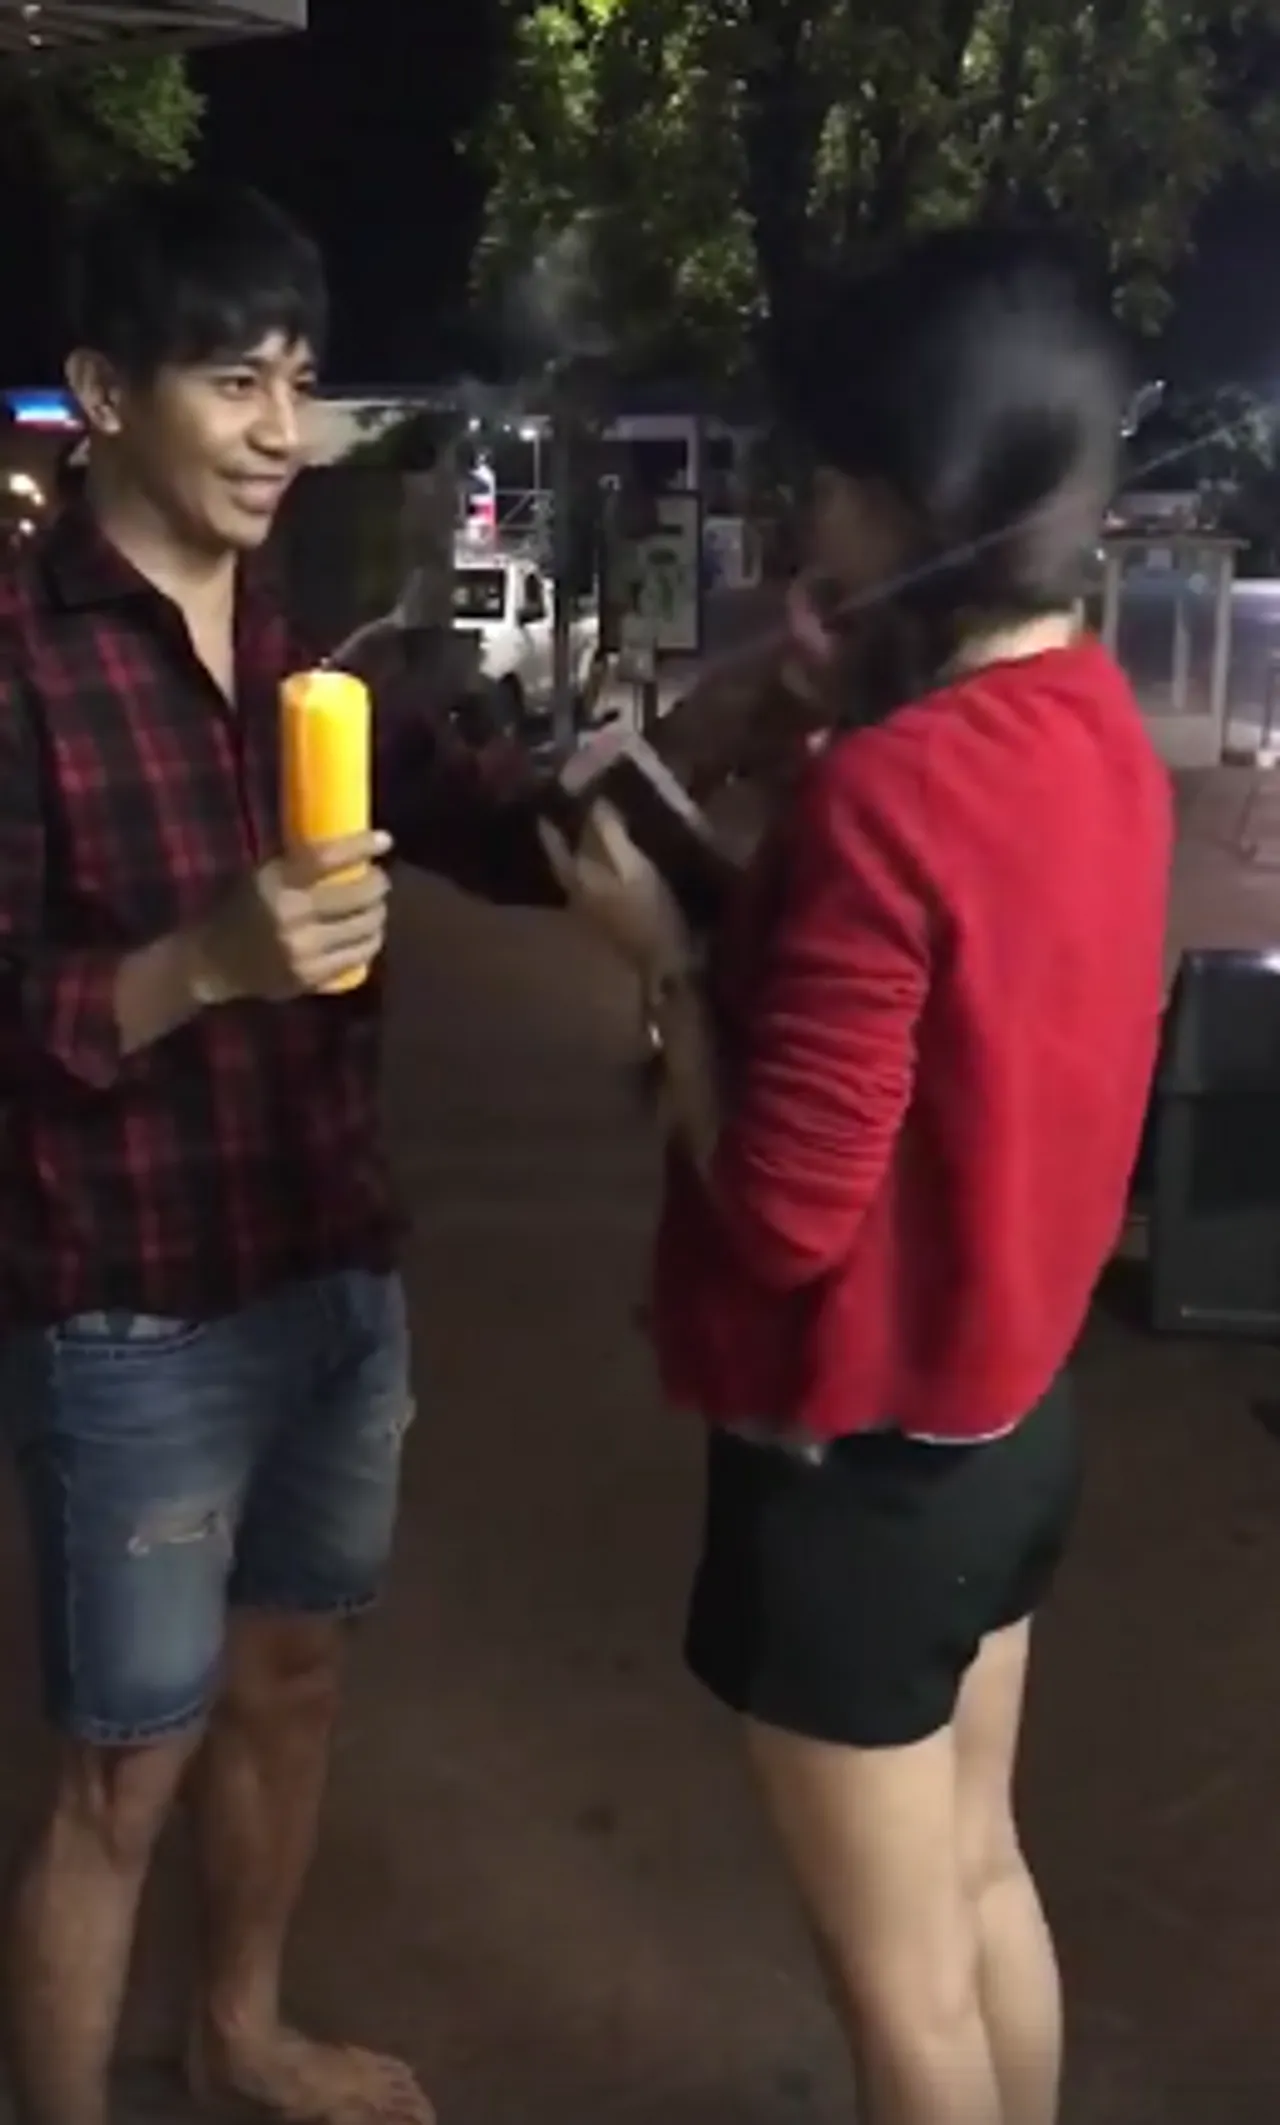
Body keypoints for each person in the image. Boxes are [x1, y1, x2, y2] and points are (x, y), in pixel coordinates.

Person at [544, 227, 1172, 2125]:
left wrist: (660, 960)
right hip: (1008, 1435)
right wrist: (765, 805)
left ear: (920, 505)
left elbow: (781, 1210)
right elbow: (904, 1022)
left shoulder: (887, 800)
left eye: (829, 478)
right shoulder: (1090, 723)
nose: (802, 515)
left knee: (906, 2010)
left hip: (861, 1478)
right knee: (982, 1885)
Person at [0, 178, 567, 2125]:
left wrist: (688, 760)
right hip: (130, 1304)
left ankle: (238, 2028)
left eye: (300, 382)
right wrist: (203, 963)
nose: (280, 431)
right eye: (233, 381)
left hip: (328, 1253)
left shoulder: (288, 648)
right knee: (122, 1770)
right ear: (103, 393)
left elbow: (476, 812)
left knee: (295, 1683)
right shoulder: (21, 660)